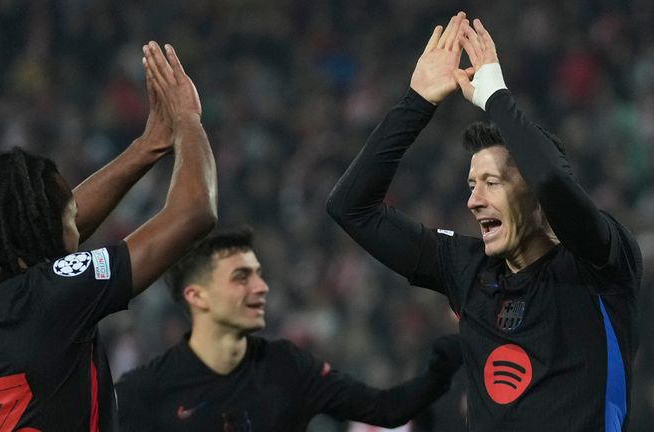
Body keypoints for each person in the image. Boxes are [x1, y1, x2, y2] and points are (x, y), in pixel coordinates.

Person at [327, 11, 642, 431]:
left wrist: (495, 95)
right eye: (471, 184)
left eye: (491, 182)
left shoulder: (600, 262)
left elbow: (552, 180)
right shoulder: (467, 268)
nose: (473, 201)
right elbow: (351, 207)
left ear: (536, 197)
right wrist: (416, 103)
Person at [0, 41, 217, 430]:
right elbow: (194, 213)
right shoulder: (51, 299)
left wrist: (147, 147)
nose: (74, 216)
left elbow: (52, 229)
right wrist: (188, 120)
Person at [115, 228, 463, 431]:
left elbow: (387, 409)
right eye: (242, 277)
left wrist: (441, 367)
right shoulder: (142, 392)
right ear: (197, 296)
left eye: (258, 273)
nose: (261, 287)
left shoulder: (287, 365)